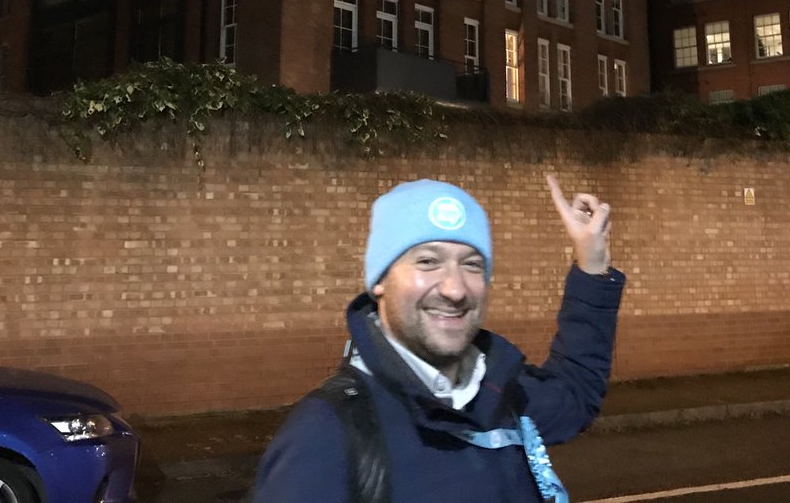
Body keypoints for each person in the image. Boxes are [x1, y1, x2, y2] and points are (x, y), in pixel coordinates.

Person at [252, 174, 625, 502]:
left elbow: (574, 392)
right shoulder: (325, 436)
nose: (454, 289)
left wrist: (592, 264)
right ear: (380, 282)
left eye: (471, 264)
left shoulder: (501, 393)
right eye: (428, 261)